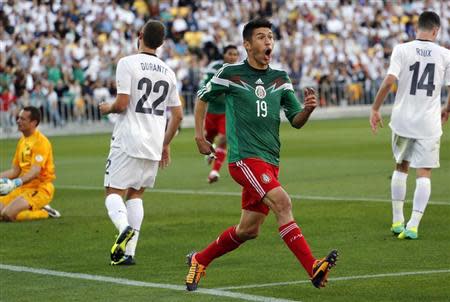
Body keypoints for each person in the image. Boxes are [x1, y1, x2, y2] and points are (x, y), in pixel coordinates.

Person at [185, 18, 338, 291]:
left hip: (270, 161)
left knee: (248, 230)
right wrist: (199, 136)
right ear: (247, 44)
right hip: (244, 159)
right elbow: (202, 98)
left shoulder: (280, 78)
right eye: (261, 37)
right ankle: (312, 266)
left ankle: (200, 259)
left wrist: (308, 109)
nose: (268, 41)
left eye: (270, 36)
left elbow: (296, 120)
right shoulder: (230, 73)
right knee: (283, 203)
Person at [99, 20, 183, 265]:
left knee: (113, 192)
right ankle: (129, 253)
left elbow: (123, 103)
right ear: (162, 43)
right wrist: (165, 144)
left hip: (128, 138)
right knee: (136, 195)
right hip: (154, 142)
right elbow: (177, 115)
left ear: (140, 36)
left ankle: (123, 228)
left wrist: (108, 108)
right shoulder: (168, 71)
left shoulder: (127, 63)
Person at [370, 11, 450, 239]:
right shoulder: (445, 55)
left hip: (403, 120)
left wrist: (375, 108)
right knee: (424, 173)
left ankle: (397, 220)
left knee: (401, 166)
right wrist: (447, 108)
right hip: (429, 123)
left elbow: (389, 81)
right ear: (436, 30)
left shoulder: (402, 49)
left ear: (418, 28)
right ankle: (413, 225)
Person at [0, 106, 61, 222]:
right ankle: (27, 208)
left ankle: (45, 212)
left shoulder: (41, 142)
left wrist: (15, 182)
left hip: (40, 188)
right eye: (18, 118)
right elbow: (15, 171)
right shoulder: (22, 141)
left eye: (22, 119)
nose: (18, 121)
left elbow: (35, 171)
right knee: (2, 213)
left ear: (33, 123)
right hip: (23, 188)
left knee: (8, 215)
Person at [201, 45, 239, 183]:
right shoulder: (214, 67)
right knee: (208, 139)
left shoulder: (240, 71)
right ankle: (211, 152)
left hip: (227, 112)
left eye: (235, 54)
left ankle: (214, 172)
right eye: (230, 54)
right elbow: (204, 85)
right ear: (224, 55)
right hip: (211, 111)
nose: (233, 57)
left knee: (223, 139)